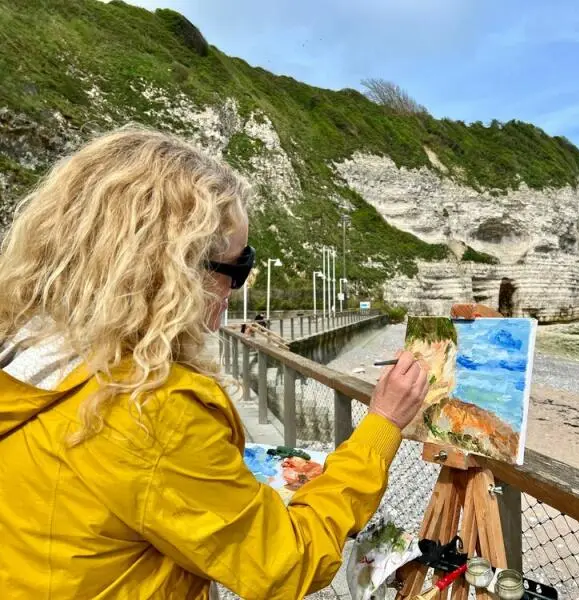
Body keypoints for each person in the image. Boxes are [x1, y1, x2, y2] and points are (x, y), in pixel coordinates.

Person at [0, 125, 430, 599]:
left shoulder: (28, 348)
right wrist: (383, 424)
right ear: (170, 269)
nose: (237, 288)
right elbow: (285, 562)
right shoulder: (148, 409)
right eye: (237, 267)